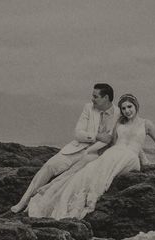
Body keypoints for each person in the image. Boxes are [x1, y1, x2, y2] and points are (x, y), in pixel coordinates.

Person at [27, 93, 155, 219]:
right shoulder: (119, 123)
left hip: (130, 159)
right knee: (88, 172)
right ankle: (62, 199)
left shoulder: (146, 124)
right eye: (124, 108)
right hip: (114, 153)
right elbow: (111, 142)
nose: (127, 111)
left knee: (107, 169)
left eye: (129, 107)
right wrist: (91, 151)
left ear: (136, 106)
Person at [10, 83, 119, 213]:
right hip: (76, 149)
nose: (92, 99)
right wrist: (97, 136)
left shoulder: (118, 113)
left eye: (95, 96)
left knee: (72, 174)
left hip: (95, 155)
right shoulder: (88, 108)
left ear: (106, 98)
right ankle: (23, 201)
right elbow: (78, 133)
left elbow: (119, 137)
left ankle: (43, 198)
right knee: (49, 166)